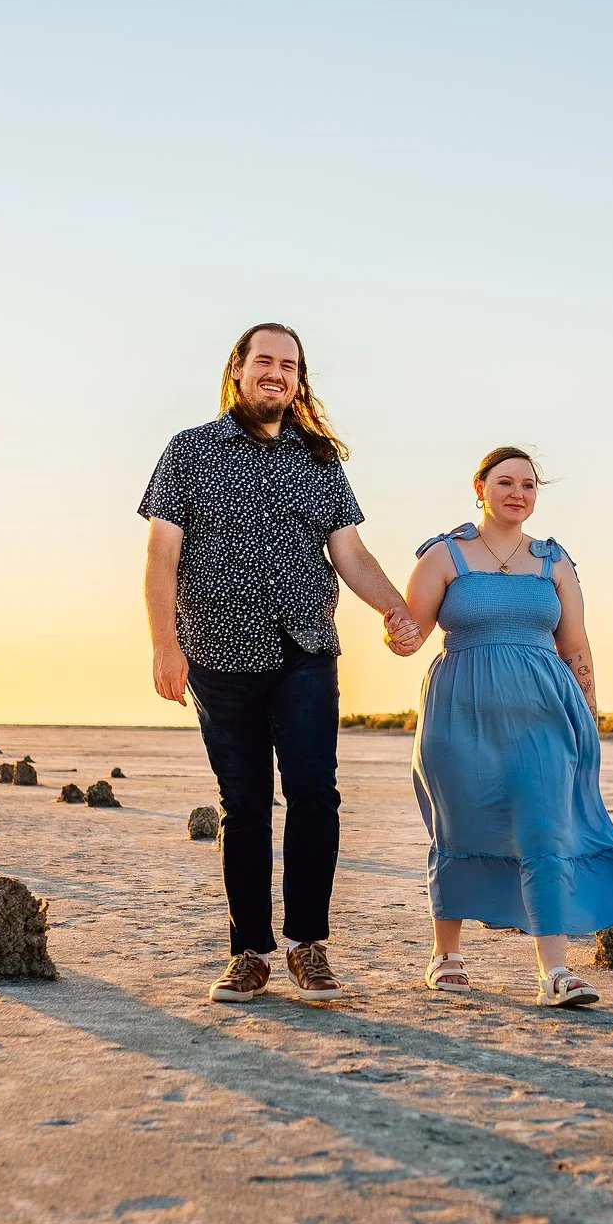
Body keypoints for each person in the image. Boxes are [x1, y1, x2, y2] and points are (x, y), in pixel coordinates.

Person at [139, 323, 419, 1005]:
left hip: (305, 647)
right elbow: (160, 558)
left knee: (315, 794)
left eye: (288, 364)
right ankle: (250, 952)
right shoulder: (190, 452)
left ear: (299, 379)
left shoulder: (319, 460)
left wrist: (393, 608)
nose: (276, 371)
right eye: (264, 359)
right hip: (216, 652)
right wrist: (164, 644)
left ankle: (307, 946)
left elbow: (349, 553)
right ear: (236, 368)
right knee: (244, 805)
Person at [388, 447, 613, 1007]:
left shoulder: (554, 562)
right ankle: (447, 955)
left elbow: (577, 646)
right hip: (458, 711)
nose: (518, 493)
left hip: (543, 714)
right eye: (505, 482)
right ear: (480, 487)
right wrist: (395, 630)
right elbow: (408, 637)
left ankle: (554, 971)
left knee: (543, 829)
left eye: (529, 485)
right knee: (457, 828)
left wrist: (588, 716)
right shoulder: (444, 555)